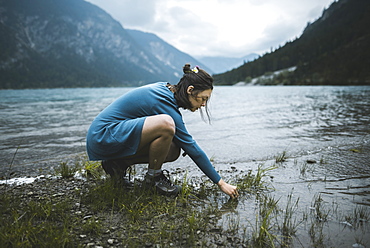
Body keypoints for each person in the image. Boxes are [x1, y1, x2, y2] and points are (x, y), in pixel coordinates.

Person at [86, 64, 239, 198]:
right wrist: (220, 183)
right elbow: (192, 147)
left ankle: (117, 163)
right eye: (203, 98)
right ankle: (153, 179)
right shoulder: (163, 101)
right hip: (103, 135)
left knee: (173, 149)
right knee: (166, 124)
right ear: (190, 90)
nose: (204, 104)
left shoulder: (167, 91)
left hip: (112, 135)